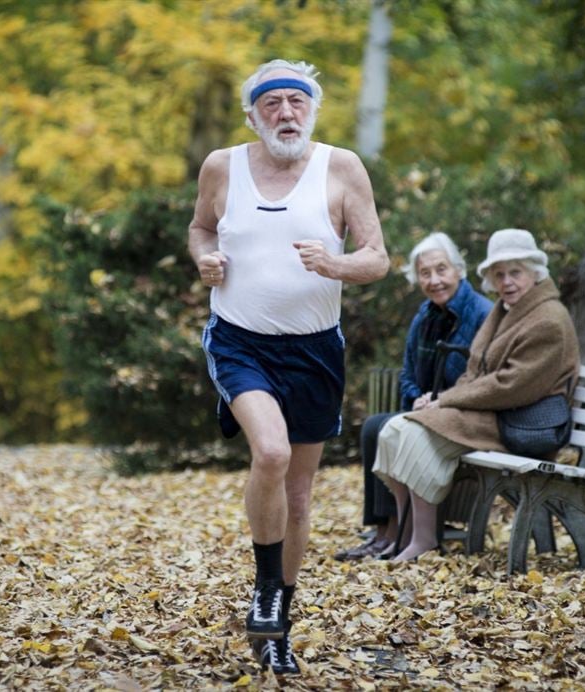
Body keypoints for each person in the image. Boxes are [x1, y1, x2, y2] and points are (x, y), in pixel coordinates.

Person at [188, 58, 388, 675]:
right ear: (253, 114)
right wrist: (205, 258)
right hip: (240, 340)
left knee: (299, 499)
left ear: (312, 110)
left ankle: (279, 626)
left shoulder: (341, 167)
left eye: (295, 102)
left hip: (315, 350)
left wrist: (335, 265)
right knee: (270, 453)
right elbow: (199, 228)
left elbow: (377, 258)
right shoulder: (223, 166)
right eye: (271, 103)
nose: (285, 113)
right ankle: (265, 592)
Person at [371, 228, 580, 562]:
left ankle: (423, 540)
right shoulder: (506, 309)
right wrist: (436, 400)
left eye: (515, 272)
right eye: (499, 274)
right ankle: (411, 535)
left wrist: (446, 401)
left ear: (535, 273)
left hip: (521, 422)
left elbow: (511, 385)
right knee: (393, 431)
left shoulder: (548, 320)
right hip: (493, 413)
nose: (507, 281)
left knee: (409, 431)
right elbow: (475, 369)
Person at [333, 232, 491, 561]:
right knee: (374, 426)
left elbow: (482, 378)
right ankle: (384, 531)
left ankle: (398, 532)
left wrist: (441, 398)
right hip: (427, 408)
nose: (434, 280)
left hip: (461, 412)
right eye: (425, 273)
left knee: (386, 428)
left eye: (441, 270)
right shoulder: (424, 316)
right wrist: (417, 395)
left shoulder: (480, 314)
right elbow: (407, 373)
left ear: (459, 270)